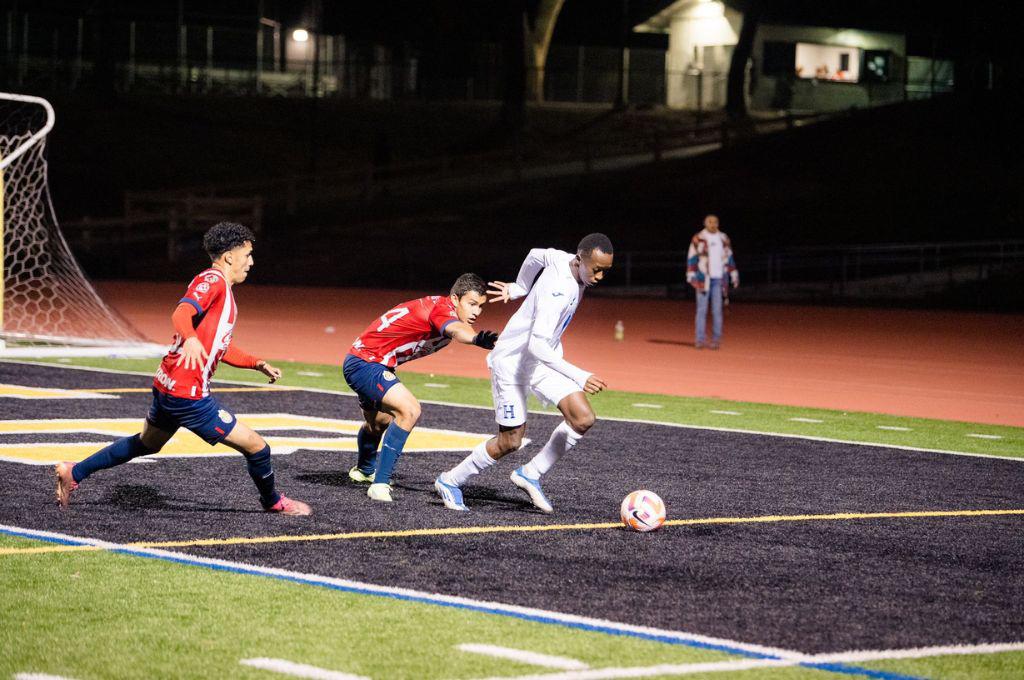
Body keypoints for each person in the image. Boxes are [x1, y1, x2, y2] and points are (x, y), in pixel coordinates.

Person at [54, 222, 311, 516]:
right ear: (229, 256)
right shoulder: (214, 281)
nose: (251, 262)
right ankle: (273, 502)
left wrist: (256, 363)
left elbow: (217, 346)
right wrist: (189, 338)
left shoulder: (219, 287)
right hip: (187, 394)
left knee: (147, 444)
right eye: (247, 254)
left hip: (168, 385)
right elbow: (181, 312)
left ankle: (74, 472)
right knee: (258, 448)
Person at [434, 234, 613, 513]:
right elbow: (537, 344)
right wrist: (579, 375)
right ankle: (450, 481)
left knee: (582, 418)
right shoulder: (559, 290)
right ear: (580, 260)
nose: (600, 276)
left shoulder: (564, 260)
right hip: (514, 362)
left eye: (605, 270)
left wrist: (520, 285)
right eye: (596, 269)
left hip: (541, 362)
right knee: (511, 441)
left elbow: (535, 254)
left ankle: (530, 473)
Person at [343, 274, 498, 503]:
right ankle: (380, 484)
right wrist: (476, 339)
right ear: (455, 299)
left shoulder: (437, 305)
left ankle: (364, 470)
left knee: (379, 422)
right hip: (366, 363)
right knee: (410, 410)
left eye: (480, 307)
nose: (476, 312)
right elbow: (456, 330)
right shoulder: (443, 310)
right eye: (472, 304)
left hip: (366, 361)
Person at [686, 214, 739, 350]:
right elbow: (692, 257)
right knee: (701, 310)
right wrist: (691, 274)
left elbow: (729, 257)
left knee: (717, 310)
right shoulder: (699, 238)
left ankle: (716, 340)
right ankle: (699, 340)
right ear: (705, 223)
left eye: (715, 222)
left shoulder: (723, 238)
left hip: (719, 279)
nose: (712, 224)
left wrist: (733, 273)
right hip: (703, 278)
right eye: (710, 222)